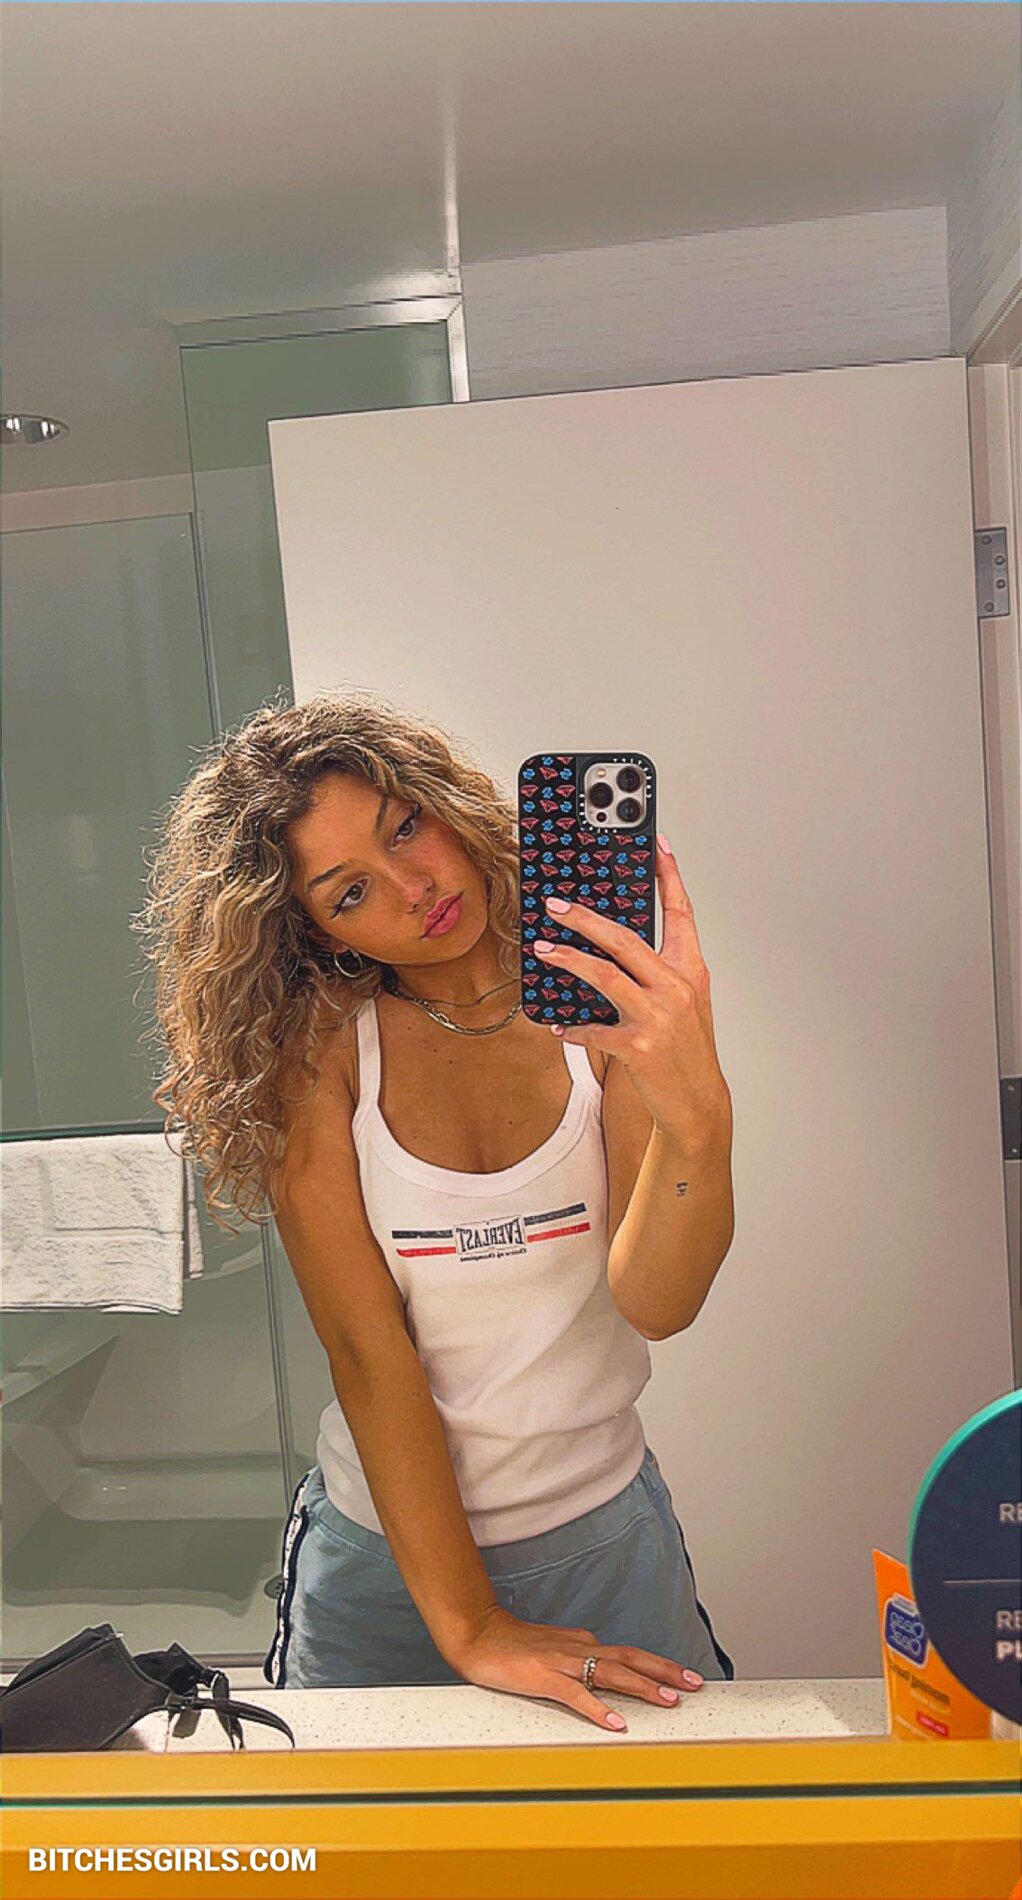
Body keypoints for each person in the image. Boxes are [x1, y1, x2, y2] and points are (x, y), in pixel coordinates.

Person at [136, 689, 736, 1732]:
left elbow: (657, 1301)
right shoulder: (318, 1051)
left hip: (601, 1535)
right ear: (313, 928)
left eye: (404, 828)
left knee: (665, 1825)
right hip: (387, 1560)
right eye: (351, 890)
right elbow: (368, 1353)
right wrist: (471, 1625)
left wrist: (697, 1110)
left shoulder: (594, 1007)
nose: (413, 889)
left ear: (441, 802)